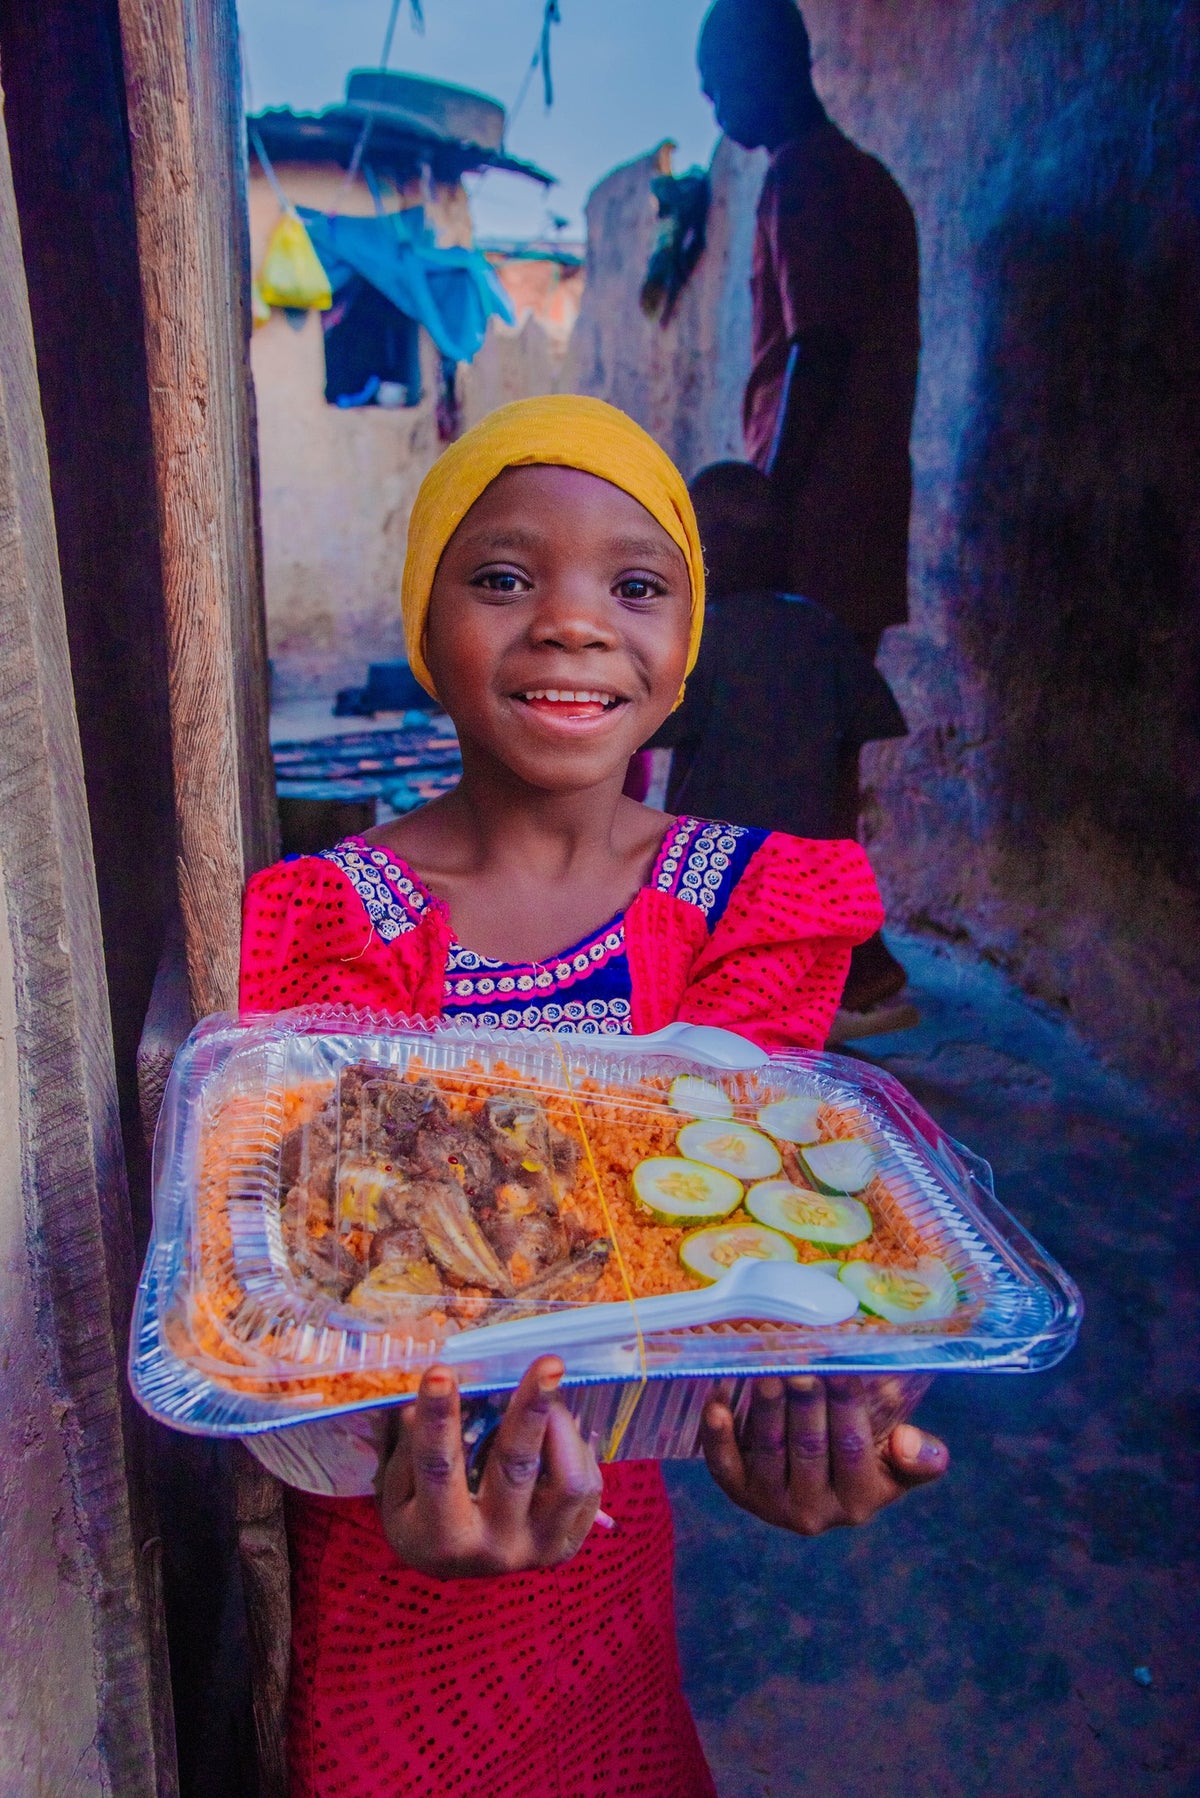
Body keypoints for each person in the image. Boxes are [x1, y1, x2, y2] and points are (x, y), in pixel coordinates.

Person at [240, 396, 949, 1797]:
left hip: (608, 1546)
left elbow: (753, 1234)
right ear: (422, 619)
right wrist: (378, 1457)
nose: (571, 622)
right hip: (390, 1543)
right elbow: (298, 1283)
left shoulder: (738, 907)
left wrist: (815, 1398)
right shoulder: (336, 920)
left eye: (635, 585)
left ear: (687, 645)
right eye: (503, 576)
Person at [697, 0, 921, 1016]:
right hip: (859, 516)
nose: (711, 102)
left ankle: (852, 968)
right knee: (818, 755)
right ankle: (852, 963)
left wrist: (765, 506)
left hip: (819, 522)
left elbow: (815, 350)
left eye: (717, 78)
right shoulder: (864, 180)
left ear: (766, 66)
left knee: (795, 753)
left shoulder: (807, 178)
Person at [652, 460, 907, 843]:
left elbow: (635, 736)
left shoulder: (695, 642)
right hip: (801, 864)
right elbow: (856, 747)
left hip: (709, 863)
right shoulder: (823, 631)